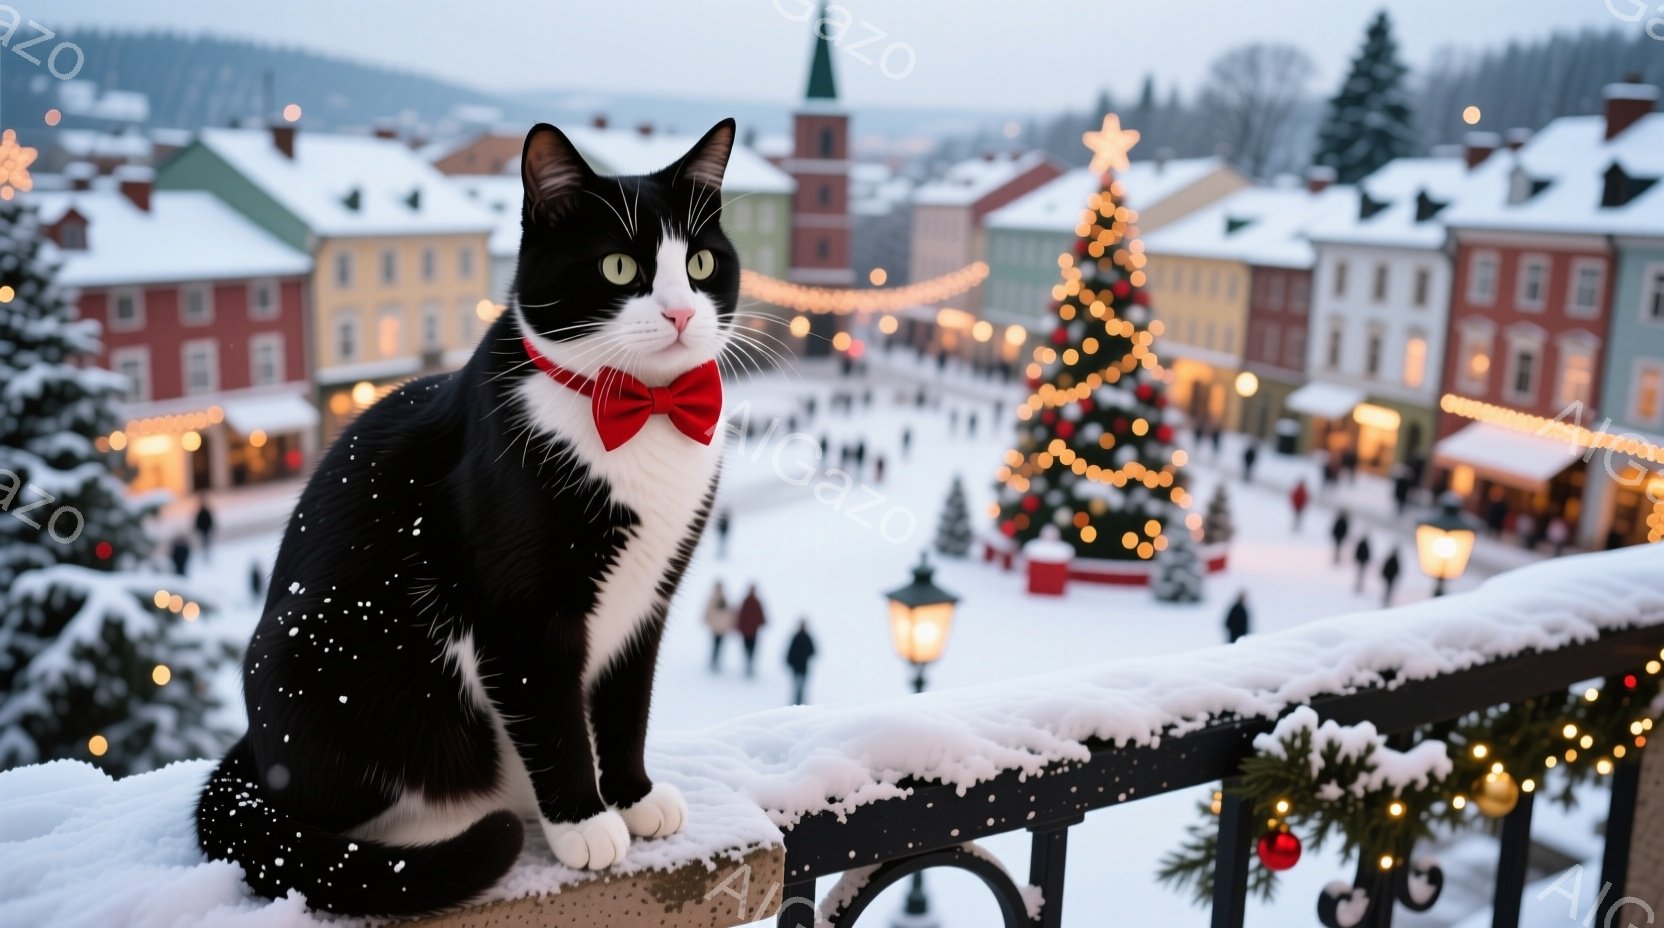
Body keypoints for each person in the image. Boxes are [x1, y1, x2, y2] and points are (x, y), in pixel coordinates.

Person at [703, 582, 736, 672]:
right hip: (718, 627)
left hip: (720, 626)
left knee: (717, 645)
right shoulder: (715, 598)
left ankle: (715, 661)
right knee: (717, 645)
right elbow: (708, 612)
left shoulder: (722, 598)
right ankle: (714, 661)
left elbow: (729, 613)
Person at [735, 585, 767, 678]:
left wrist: (761, 622)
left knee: (752, 649)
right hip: (747, 631)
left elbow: (761, 615)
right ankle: (748, 664)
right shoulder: (746, 601)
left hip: (753, 631)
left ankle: (750, 664)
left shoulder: (757, 602)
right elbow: (741, 615)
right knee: (747, 649)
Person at [785, 618, 817, 705]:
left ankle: (800, 700)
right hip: (796, 665)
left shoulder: (807, 637)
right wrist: (789, 660)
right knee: (796, 684)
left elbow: (813, 651)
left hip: (803, 665)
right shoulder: (796, 637)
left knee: (802, 684)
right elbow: (790, 651)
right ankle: (797, 700)